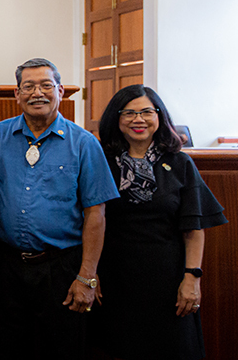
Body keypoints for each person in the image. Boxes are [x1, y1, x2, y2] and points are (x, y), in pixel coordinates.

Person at [0, 58, 119, 360]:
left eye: (46, 85)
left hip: (61, 268)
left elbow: (96, 214)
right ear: (16, 94)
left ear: (59, 91)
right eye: (28, 86)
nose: (37, 93)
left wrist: (87, 277)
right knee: (6, 348)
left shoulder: (84, 144)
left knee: (62, 349)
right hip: (7, 266)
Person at [93, 85, 226, 360]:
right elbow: (90, 219)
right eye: (128, 113)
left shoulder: (179, 163)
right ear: (116, 119)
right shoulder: (102, 161)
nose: (137, 119)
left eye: (146, 112)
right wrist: (90, 273)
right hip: (115, 278)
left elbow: (193, 228)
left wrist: (192, 278)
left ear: (159, 117)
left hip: (169, 280)